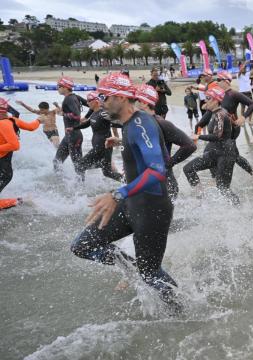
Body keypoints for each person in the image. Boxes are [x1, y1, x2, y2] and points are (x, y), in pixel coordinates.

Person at [71, 73, 181, 310]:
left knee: (151, 273)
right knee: (83, 246)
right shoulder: (128, 125)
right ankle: (134, 269)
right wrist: (121, 144)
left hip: (153, 210)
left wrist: (116, 194)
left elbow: (157, 170)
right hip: (131, 203)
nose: (100, 102)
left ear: (121, 97)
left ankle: (181, 312)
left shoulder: (142, 123)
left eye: (105, 96)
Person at [134, 85, 196, 200]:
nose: (132, 105)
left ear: (144, 103)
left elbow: (190, 145)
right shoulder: (141, 123)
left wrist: (169, 163)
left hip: (165, 184)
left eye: (135, 100)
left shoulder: (162, 123)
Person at [184, 84, 241, 204]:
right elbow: (232, 126)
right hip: (214, 153)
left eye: (208, 98)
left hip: (225, 155)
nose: (205, 100)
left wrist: (198, 136)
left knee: (223, 187)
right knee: (188, 169)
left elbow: (217, 136)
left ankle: (239, 207)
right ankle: (201, 195)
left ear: (216, 100)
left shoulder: (220, 114)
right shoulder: (214, 113)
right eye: (206, 97)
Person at [71, 92, 123, 182]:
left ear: (95, 101)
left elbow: (120, 124)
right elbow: (87, 124)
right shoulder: (94, 113)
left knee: (79, 166)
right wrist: (74, 128)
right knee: (107, 172)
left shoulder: (103, 114)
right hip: (101, 147)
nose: (87, 103)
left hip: (102, 147)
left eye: (89, 101)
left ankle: (79, 189)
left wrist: (114, 119)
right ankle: (128, 181)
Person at [0, 97, 40, 210]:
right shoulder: (13, 120)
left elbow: (15, 145)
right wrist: (39, 120)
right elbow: (31, 127)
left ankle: (24, 201)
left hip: (3, 171)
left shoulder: (3, 124)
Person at [215, 70, 253, 176]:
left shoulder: (234, 94)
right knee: (223, 151)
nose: (217, 82)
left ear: (226, 81)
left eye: (219, 80)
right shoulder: (222, 95)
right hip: (224, 128)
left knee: (233, 154)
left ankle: (251, 172)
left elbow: (252, 104)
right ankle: (218, 176)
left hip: (233, 128)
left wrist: (243, 117)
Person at [53, 76, 85, 180]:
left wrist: (63, 114)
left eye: (59, 86)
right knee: (57, 161)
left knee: (77, 165)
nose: (58, 88)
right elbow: (91, 104)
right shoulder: (75, 96)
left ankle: (82, 189)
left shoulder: (69, 98)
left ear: (66, 87)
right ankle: (63, 184)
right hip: (69, 136)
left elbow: (76, 115)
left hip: (74, 135)